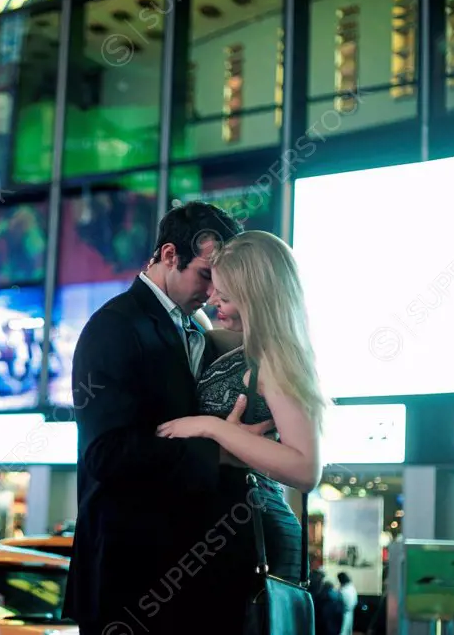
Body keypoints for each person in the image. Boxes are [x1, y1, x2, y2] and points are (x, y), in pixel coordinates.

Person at [65, 202, 272, 635]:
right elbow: (106, 454)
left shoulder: (198, 326)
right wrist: (221, 451)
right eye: (206, 274)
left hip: (195, 579)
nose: (215, 289)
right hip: (133, 583)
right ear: (169, 256)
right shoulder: (114, 327)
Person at [156, 230, 328, 631]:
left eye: (227, 296)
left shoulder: (278, 356)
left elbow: (306, 468)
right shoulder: (245, 347)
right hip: (232, 531)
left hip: (254, 535)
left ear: (258, 299)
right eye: (216, 289)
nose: (214, 300)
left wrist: (213, 428)